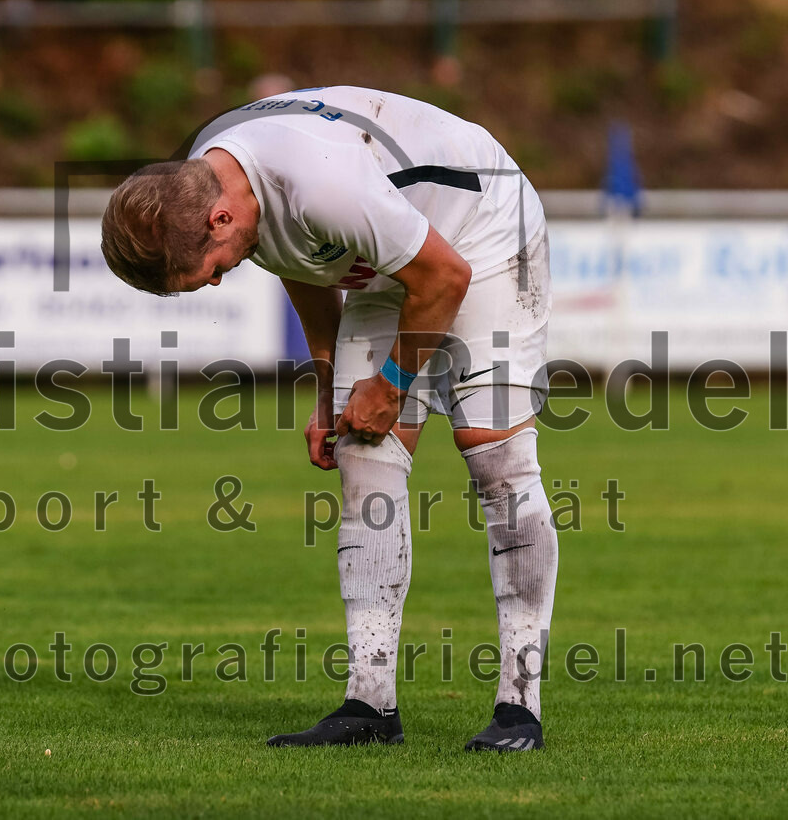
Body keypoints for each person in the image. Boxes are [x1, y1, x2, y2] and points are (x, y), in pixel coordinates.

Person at [100, 86, 557, 752]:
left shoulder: (322, 184)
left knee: (495, 458)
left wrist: (394, 382)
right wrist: (329, 392)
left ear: (221, 219)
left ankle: (520, 706)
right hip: (393, 253)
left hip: (482, 228)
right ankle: (369, 705)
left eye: (210, 271)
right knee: (362, 454)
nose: (220, 279)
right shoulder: (207, 174)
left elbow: (445, 277)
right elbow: (297, 258)